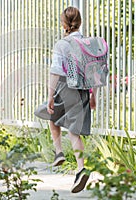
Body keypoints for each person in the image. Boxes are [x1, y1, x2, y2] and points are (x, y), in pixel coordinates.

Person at [35, 6, 97, 193]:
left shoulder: (62, 44)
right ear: (80, 22)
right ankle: (80, 168)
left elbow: (55, 71)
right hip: (83, 90)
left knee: (49, 112)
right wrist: (93, 96)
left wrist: (50, 96)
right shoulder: (89, 43)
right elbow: (94, 72)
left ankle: (59, 152)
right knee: (73, 131)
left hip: (65, 87)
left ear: (64, 23)